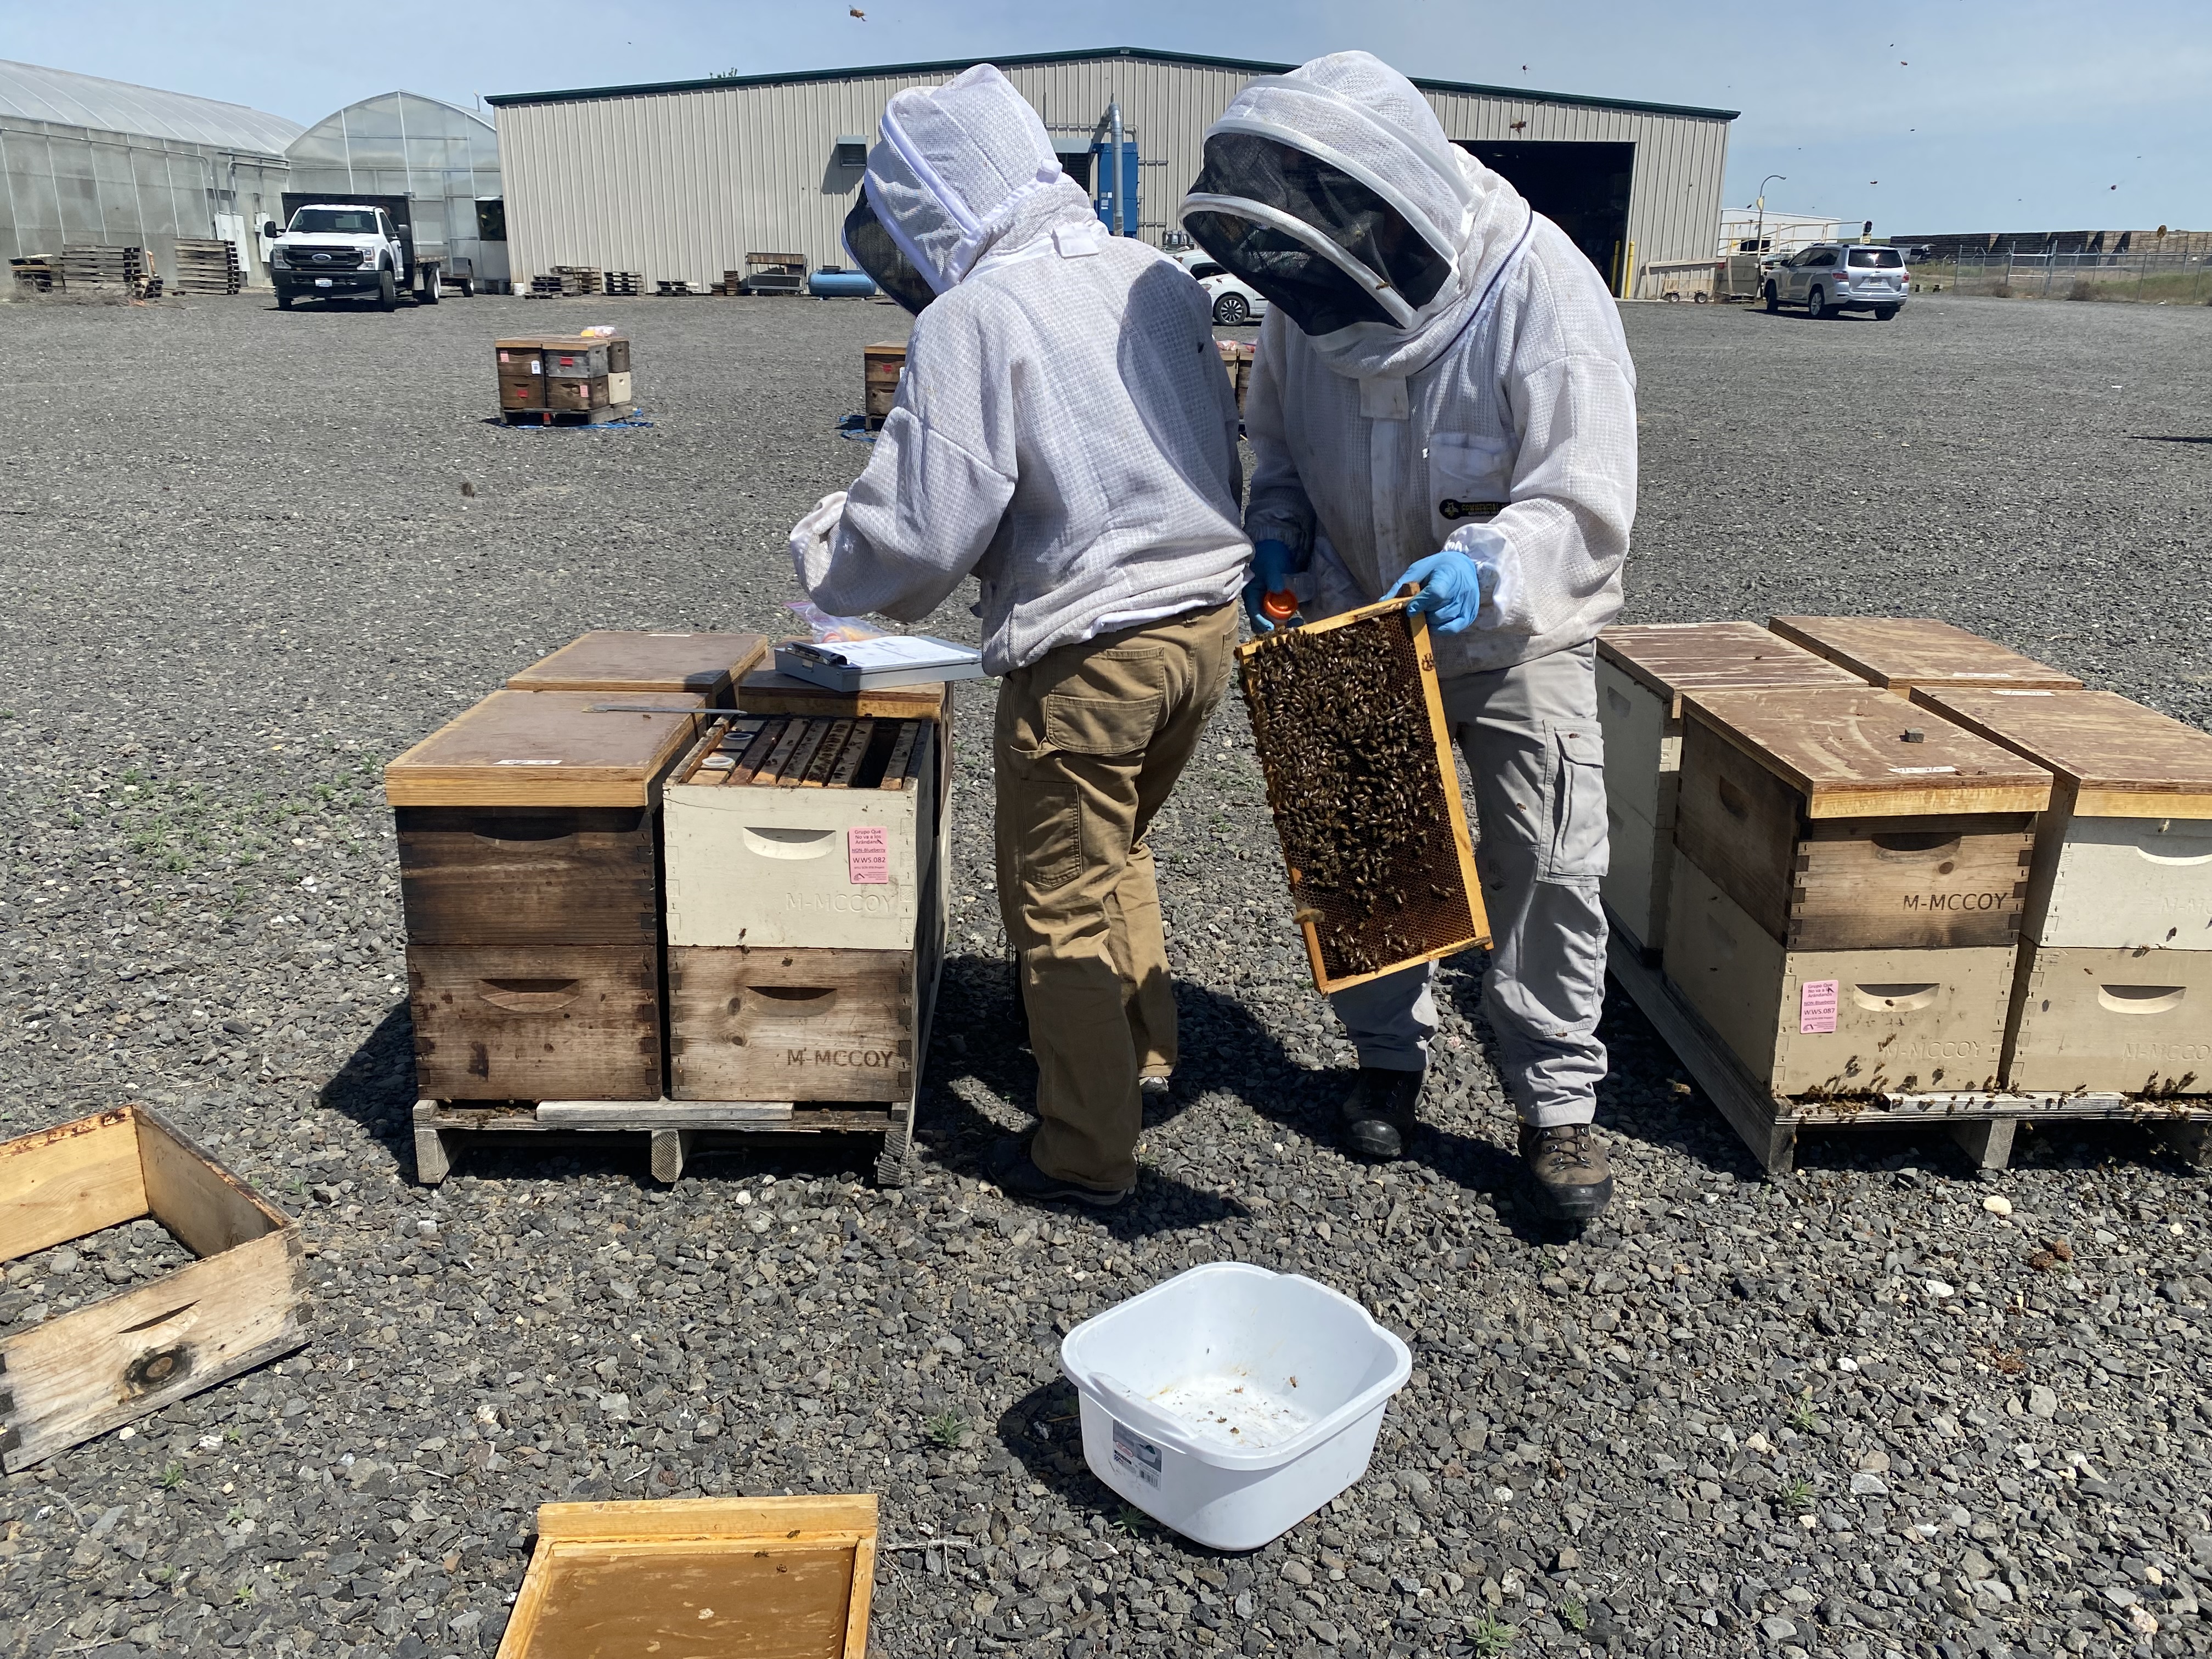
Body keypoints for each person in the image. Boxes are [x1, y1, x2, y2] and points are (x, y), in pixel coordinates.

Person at [1180, 51, 1637, 1219]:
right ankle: (1388, 1057)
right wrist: (1276, 533)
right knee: (1363, 846)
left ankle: (1558, 1105)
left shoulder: (1544, 289)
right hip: (1345, 605)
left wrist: (1487, 567)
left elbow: (1585, 500)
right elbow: (1277, 448)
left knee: (1546, 860)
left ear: (1392, 211)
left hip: (1517, 631)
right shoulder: (1309, 305)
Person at [791, 65, 1251, 1208]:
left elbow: (922, 528)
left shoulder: (977, 315)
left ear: (931, 198)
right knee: (1121, 851)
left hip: (1094, 655)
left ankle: (1085, 1150)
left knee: (1052, 905)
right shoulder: (1153, 275)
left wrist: (824, 550)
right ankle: (1141, 1051)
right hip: (1205, 633)